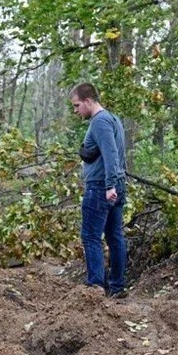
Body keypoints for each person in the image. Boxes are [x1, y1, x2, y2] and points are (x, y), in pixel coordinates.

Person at [69, 82, 127, 298]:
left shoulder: (100, 121)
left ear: (88, 101)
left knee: (91, 237)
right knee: (114, 236)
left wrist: (110, 185)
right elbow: (115, 155)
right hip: (115, 184)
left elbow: (112, 154)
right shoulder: (113, 119)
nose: (76, 111)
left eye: (76, 106)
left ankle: (95, 289)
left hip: (101, 187)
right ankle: (117, 287)